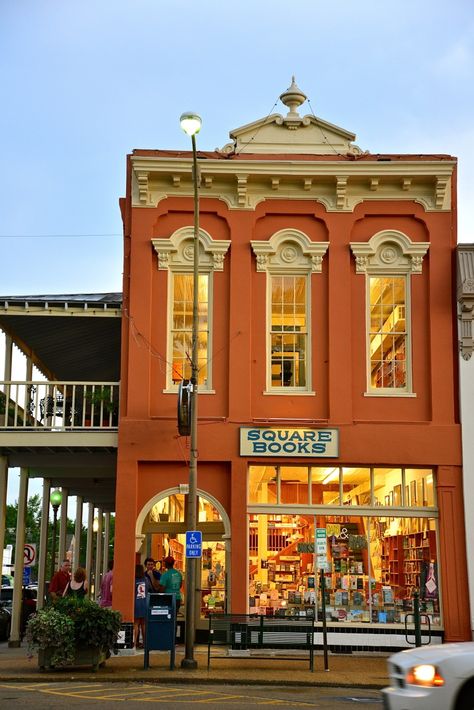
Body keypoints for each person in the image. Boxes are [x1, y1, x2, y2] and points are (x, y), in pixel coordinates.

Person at [134, 563, 150, 649]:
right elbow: (149, 589)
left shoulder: (133, 580)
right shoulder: (146, 580)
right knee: (144, 624)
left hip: (136, 603)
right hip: (144, 603)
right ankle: (145, 643)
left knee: (136, 624)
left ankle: (134, 643)